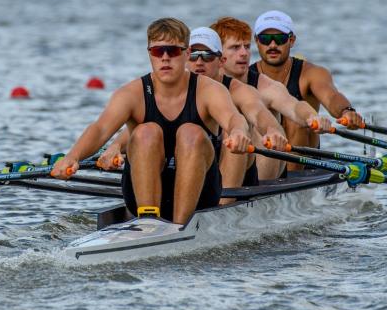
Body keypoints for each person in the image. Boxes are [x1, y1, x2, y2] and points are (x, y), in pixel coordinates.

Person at [50, 17, 250, 225]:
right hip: (141, 192)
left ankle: (180, 228)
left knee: (191, 132)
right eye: (157, 51)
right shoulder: (132, 93)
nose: (164, 58)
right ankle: (148, 222)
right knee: (147, 132)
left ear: (186, 53)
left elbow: (233, 117)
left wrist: (238, 132)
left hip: (201, 194)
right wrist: (72, 156)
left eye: (172, 51)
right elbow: (101, 129)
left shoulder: (208, 90)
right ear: (149, 54)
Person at [97, 27, 287, 193]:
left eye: (207, 56)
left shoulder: (238, 90)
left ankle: (222, 207)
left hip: (232, 175)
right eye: (194, 55)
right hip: (193, 170)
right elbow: (137, 125)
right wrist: (114, 147)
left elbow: (258, 112)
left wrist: (272, 130)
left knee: (234, 131)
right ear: (185, 56)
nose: (199, 62)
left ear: (221, 61)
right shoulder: (172, 90)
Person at [210, 16, 335, 178]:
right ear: (219, 54)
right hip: (219, 166)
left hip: (262, 173)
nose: (244, 54)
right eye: (235, 48)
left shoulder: (265, 86)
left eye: (247, 47)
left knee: (250, 126)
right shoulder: (205, 84)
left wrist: (312, 117)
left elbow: (295, 106)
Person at [247, 10, 364, 170]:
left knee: (297, 119)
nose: (272, 45)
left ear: (292, 40)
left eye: (280, 39)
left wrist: (347, 111)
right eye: (265, 39)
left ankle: (292, 181)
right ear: (256, 41)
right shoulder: (245, 77)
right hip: (264, 162)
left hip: (303, 162)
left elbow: (331, 96)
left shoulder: (312, 73)